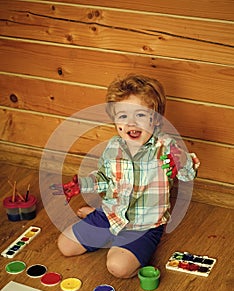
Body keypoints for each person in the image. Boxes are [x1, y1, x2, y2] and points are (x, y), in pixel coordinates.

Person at [54, 74, 199, 279]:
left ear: (155, 118)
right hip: (111, 215)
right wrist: (81, 185)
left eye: (140, 115)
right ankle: (103, 226)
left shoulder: (166, 147)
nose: (131, 123)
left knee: (118, 268)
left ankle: (125, 244)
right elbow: (105, 179)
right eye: (123, 116)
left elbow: (188, 174)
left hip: (143, 225)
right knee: (65, 246)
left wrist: (181, 161)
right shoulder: (114, 146)